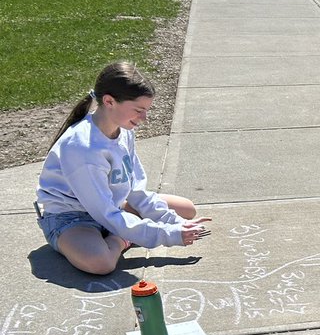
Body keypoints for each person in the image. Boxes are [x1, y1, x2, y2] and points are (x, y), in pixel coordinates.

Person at [36, 62, 210, 276]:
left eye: (146, 110)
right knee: (101, 263)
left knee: (186, 210)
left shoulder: (124, 130)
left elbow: (135, 189)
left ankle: (125, 232)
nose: (144, 118)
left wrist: (177, 224)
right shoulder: (83, 148)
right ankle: (121, 240)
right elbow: (105, 213)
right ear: (109, 101)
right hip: (73, 217)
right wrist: (169, 234)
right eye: (139, 110)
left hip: (112, 204)